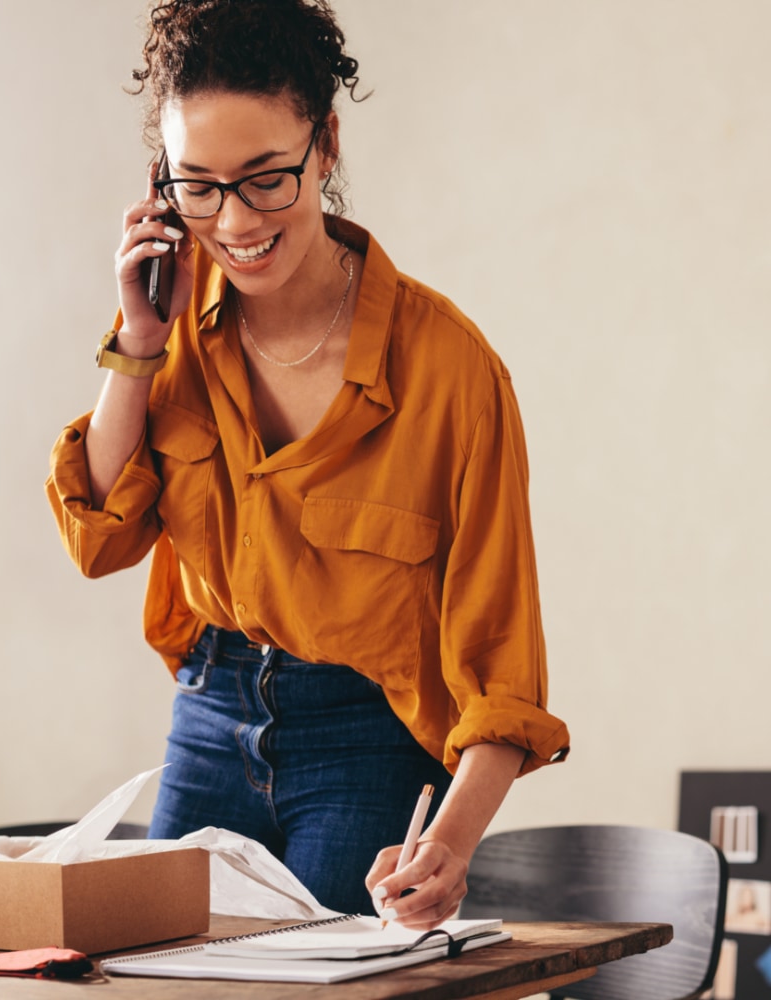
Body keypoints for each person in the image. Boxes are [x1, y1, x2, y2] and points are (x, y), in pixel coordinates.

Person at [46, 0, 570, 925]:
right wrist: (137, 341)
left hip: (367, 739)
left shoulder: (450, 372)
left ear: (325, 144)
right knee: (157, 979)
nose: (233, 220)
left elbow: (502, 666)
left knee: (316, 985)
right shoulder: (173, 325)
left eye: (265, 179)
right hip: (210, 713)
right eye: (196, 186)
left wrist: (448, 848)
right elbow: (98, 539)